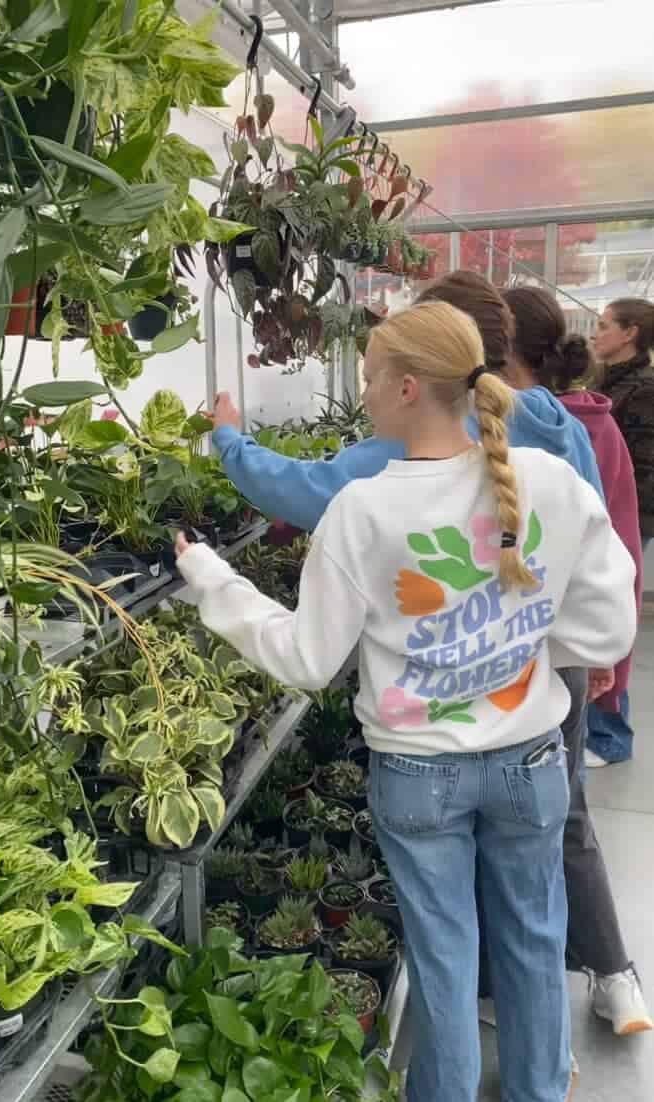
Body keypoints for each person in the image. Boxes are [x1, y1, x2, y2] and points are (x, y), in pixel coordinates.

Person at [177, 301, 637, 1102]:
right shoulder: (552, 482)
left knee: (445, 957)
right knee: (536, 940)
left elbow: (307, 658)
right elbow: (607, 625)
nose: (360, 396)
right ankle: (538, 1091)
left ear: (406, 389)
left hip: (418, 776)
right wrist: (518, 650)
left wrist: (214, 580)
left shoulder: (362, 510)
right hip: (531, 764)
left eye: (368, 380)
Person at [212, 271, 604, 532]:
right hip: (541, 647)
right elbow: (598, 538)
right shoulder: (561, 423)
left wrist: (231, 441)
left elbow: (313, 492)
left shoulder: (429, 431)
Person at [503, 287, 643, 772]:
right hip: (564, 634)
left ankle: (610, 735)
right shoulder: (590, 423)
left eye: (608, 323)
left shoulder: (574, 428)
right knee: (564, 788)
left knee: (557, 781)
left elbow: (615, 547)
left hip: (537, 638)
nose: (599, 331)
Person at [592, 298, 654, 550]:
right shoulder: (606, 383)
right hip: (604, 509)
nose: (594, 335)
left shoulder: (645, 390)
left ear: (629, 333)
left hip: (625, 519)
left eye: (603, 326)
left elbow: (642, 468)